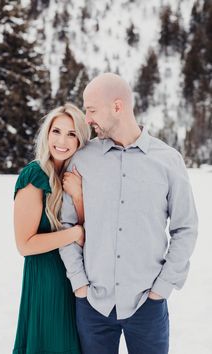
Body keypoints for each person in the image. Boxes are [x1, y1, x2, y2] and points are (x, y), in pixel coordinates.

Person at [59, 73, 198, 354]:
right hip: (93, 305)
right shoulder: (83, 159)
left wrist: (161, 290)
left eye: (92, 110)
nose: (87, 119)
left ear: (118, 107)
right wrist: (80, 285)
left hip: (147, 305)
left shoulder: (168, 160)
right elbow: (67, 223)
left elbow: (185, 228)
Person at [12, 103, 90, 354]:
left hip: (74, 279)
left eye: (71, 134)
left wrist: (78, 196)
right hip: (46, 279)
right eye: (57, 131)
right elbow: (25, 244)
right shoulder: (34, 175)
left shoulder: (74, 176)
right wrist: (74, 233)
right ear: (47, 134)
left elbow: (91, 232)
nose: (62, 141)